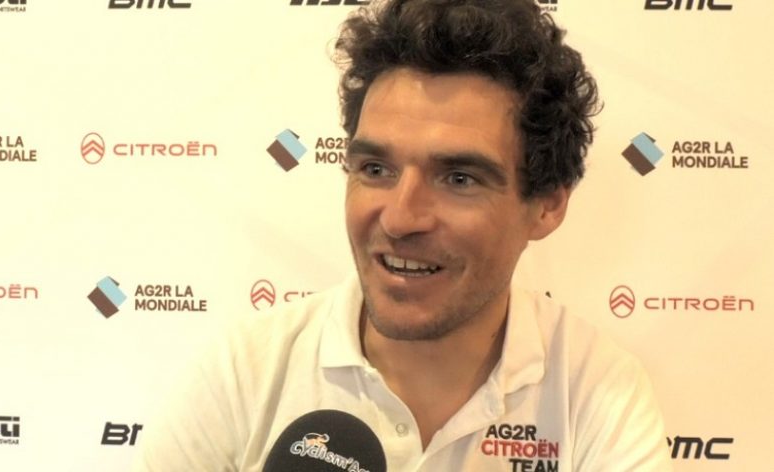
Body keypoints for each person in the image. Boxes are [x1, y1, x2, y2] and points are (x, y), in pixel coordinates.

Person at [133, 0, 672, 470]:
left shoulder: (596, 392)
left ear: (547, 205)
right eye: (376, 170)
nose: (399, 218)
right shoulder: (245, 371)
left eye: (458, 178)